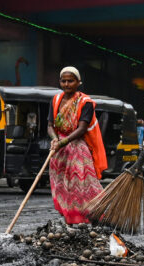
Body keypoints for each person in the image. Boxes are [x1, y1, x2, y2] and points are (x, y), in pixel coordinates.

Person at [46, 66, 107, 225]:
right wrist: (54, 139)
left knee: (82, 185)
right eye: (63, 81)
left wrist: (63, 142)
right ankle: (70, 218)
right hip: (59, 151)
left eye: (70, 81)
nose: (66, 84)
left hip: (77, 148)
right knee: (62, 185)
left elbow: (82, 128)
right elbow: (50, 125)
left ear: (78, 82)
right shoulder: (55, 100)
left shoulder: (85, 102)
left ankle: (92, 216)